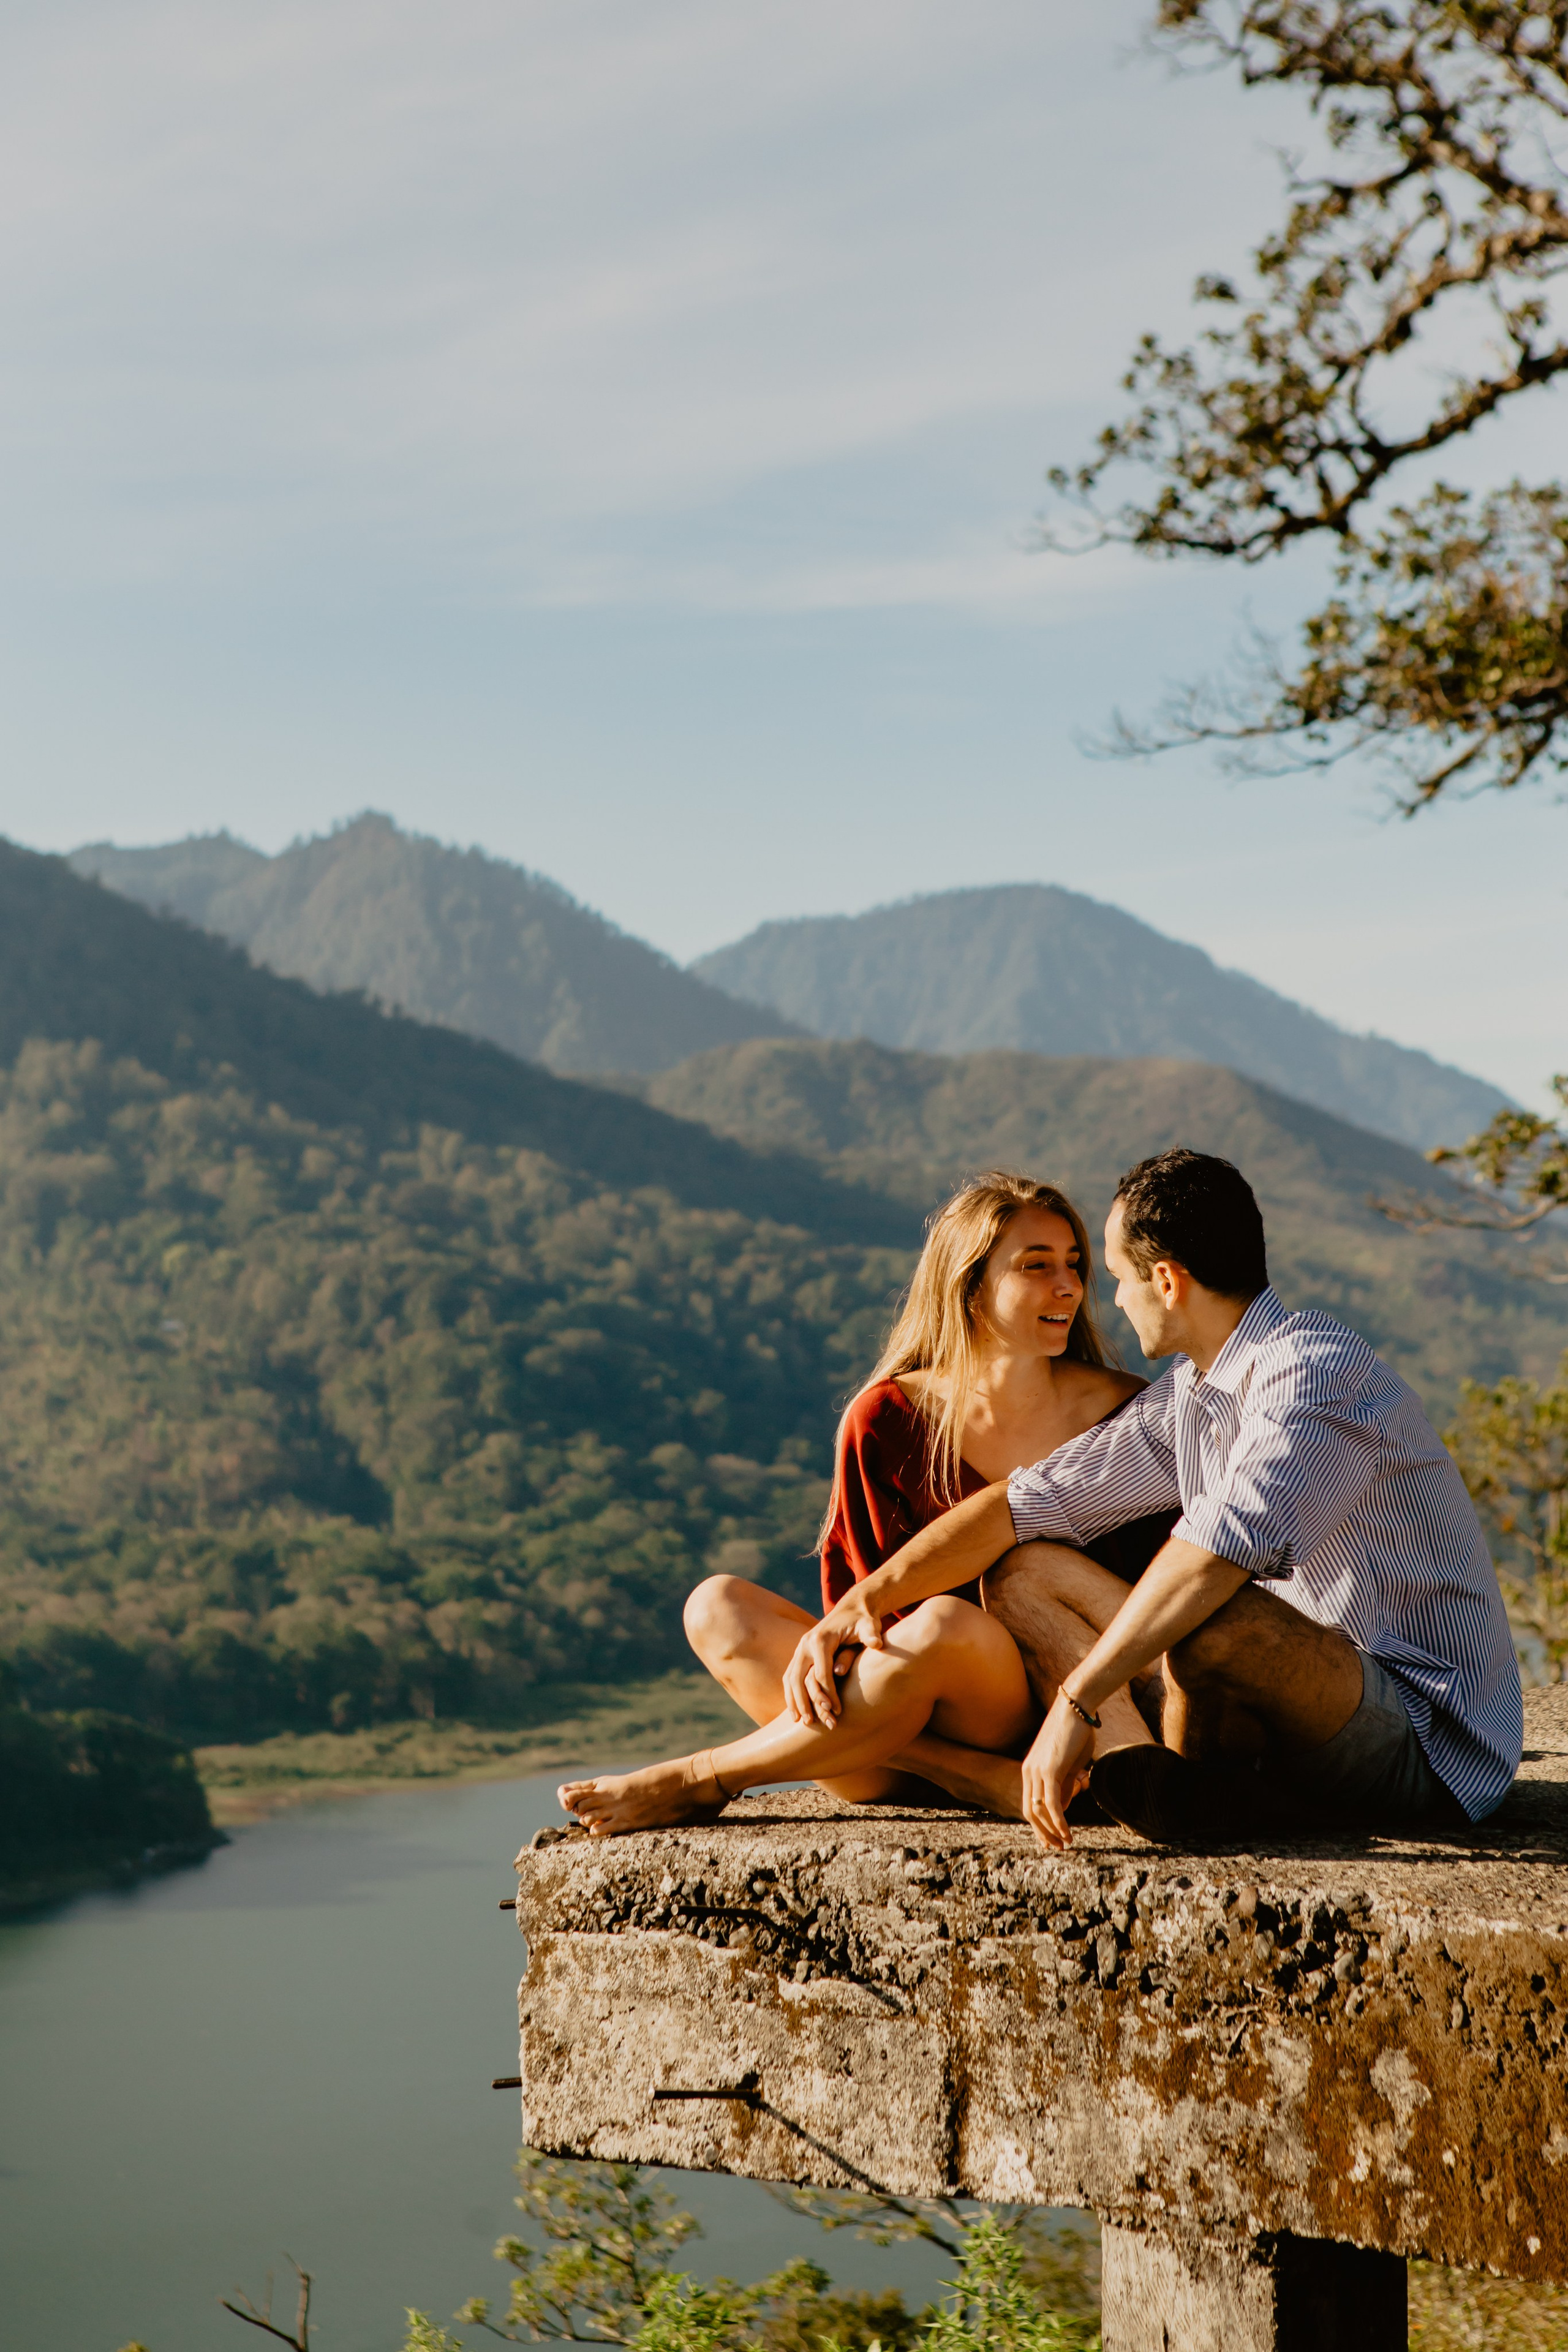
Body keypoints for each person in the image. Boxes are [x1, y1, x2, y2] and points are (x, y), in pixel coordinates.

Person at [782, 1148, 1523, 1849]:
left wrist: (1076, 1701)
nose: (1096, 1296)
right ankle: (1153, 1779)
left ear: (1165, 1282)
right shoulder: (1187, 1398)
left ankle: (1205, 1791)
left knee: (1211, 1611)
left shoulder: (1313, 1373)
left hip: (1420, 1741)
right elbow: (1020, 1503)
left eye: (1108, 1273)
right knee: (1024, 1568)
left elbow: (1214, 1559)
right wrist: (865, 1603)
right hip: (1298, 1707)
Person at [557, 1172, 1161, 1835]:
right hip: (894, 1716)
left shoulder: (1122, 1411)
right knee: (716, 1608)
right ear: (969, 1286)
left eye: (1073, 1265)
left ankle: (701, 1777)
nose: (1069, 1286)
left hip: (1055, 1713)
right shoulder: (887, 1416)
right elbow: (855, 1620)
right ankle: (954, 1771)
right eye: (1035, 1266)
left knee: (944, 1627)